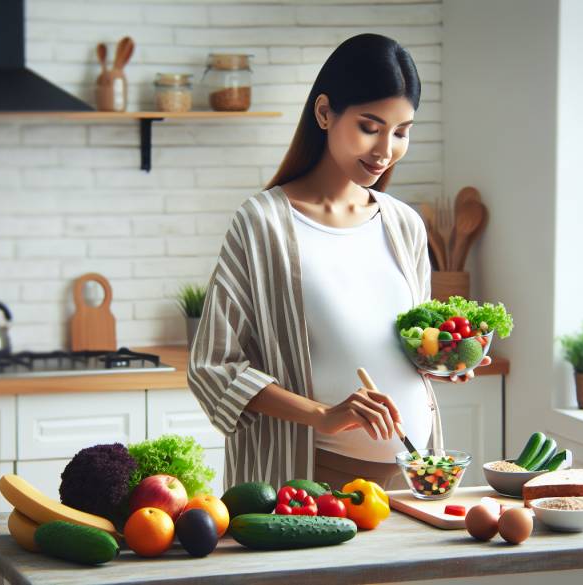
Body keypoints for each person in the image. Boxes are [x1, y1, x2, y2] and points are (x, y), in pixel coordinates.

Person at [187, 33, 491, 492]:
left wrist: (440, 360)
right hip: (309, 483)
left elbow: (394, 344)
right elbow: (213, 365)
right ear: (325, 112)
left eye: (402, 131)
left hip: (413, 479)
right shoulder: (263, 223)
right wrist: (324, 416)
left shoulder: (404, 224)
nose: (385, 150)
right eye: (371, 126)